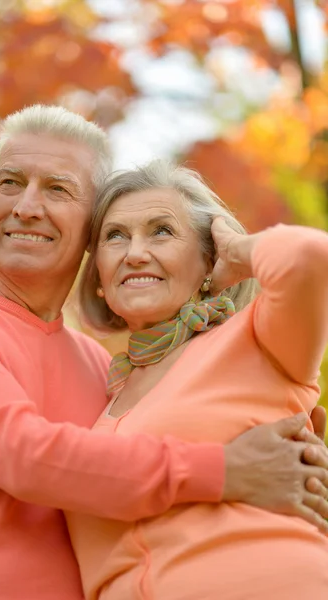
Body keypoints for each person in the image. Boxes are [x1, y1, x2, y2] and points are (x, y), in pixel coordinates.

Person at [0, 105, 327, 600]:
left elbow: (311, 263)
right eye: (9, 182)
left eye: (57, 188)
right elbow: (26, 456)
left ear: (87, 227)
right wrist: (225, 468)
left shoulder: (111, 371)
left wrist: (238, 250)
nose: (27, 206)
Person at [67, 159, 328, 600]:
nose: (134, 253)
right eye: (115, 236)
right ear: (98, 279)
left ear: (209, 258)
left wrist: (238, 250)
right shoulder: (98, 398)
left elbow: (310, 258)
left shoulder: (257, 340)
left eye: (161, 231)